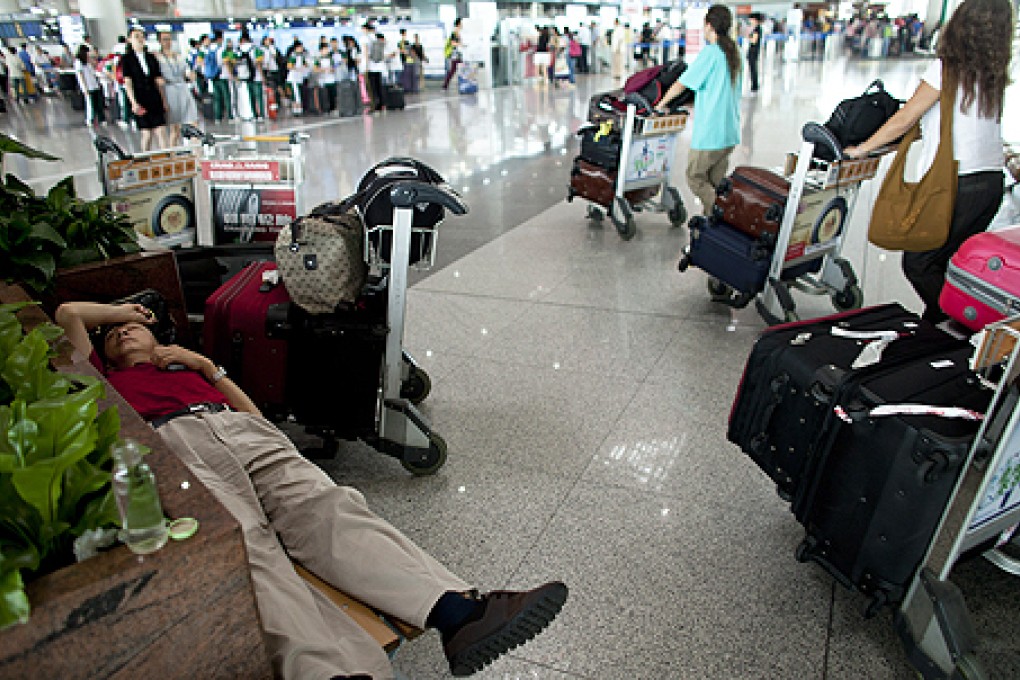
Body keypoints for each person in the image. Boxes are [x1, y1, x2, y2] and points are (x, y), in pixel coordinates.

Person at [53, 300, 569, 680]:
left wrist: (204, 367)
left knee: (329, 505)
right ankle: (329, 673)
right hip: (167, 441)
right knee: (247, 549)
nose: (120, 333)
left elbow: (252, 416)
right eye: (113, 332)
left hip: (235, 427)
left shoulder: (191, 370)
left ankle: (457, 612)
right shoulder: (101, 378)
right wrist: (124, 309)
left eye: (130, 328)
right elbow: (68, 313)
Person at [844, 0, 1013, 323]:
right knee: (950, 261)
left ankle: (960, 323)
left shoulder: (947, 66)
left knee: (919, 263)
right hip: (990, 181)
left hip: (956, 184)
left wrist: (862, 148)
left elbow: (906, 116)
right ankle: (940, 328)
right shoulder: (991, 73)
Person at [656, 5, 742, 218]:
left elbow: (682, 83)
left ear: (709, 26)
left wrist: (661, 103)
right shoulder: (734, 52)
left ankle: (724, 214)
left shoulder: (711, 53)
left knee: (694, 177)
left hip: (710, 134)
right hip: (729, 131)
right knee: (715, 182)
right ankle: (711, 226)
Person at [121, 28, 170, 151]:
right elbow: (128, 82)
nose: (140, 39)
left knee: (161, 131)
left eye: (142, 36)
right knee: (146, 133)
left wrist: (164, 100)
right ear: (129, 40)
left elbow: (157, 80)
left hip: (154, 97)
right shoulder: (127, 59)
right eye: (136, 36)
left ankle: (167, 159)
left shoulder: (151, 57)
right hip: (140, 98)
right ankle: (145, 159)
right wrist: (133, 102)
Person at [156, 32, 198, 145]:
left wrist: (190, 75)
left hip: (183, 87)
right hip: (169, 89)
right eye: (164, 39)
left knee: (193, 122)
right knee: (175, 127)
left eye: (169, 39)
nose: (167, 42)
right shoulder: (157, 58)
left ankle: (196, 152)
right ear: (159, 41)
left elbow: (186, 71)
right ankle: (172, 154)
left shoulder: (178, 56)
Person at [235, 32, 264, 121]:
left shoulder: (238, 50)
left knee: (250, 96)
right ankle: (261, 115)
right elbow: (259, 63)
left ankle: (253, 114)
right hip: (257, 76)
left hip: (245, 76)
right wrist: (262, 75)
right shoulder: (256, 49)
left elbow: (234, 63)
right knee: (259, 96)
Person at [74, 44, 104, 126]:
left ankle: (101, 119)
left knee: (98, 103)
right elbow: (80, 76)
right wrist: (84, 88)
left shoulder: (87, 62)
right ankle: (90, 119)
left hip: (94, 85)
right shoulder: (78, 62)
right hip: (88, 86)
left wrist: (93, 60)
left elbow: (94, 71)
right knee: (90, 104)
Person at [204, 31, 232, 122]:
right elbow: (225, 62)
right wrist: (230, 74)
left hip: (213, 76)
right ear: (220, 38)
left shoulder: (207, 50)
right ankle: (230, 116)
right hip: (222, 75)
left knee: (217, 98)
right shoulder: (221, 49)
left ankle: (217, 117)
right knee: (226, 97)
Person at [442, 20, 463, 90]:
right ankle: (445, 85)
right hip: (454, 54)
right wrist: (461, 44)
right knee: (454, 69)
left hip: (457, 53)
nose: (462, 25)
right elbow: (453, 43)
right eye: (461, 23)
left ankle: (445, 85)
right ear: (458, 24)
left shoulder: (457, 33)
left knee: (455, 69)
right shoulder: (454, 33)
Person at [747, 13, 763, 93]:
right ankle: (754, 84)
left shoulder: (757, 29)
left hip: (753, 51)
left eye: (751, 19)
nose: (750, 21)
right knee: (753, 68)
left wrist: (748, 36)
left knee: (753, 69)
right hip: (754, 51)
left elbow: (754, 41)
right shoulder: (757, 28)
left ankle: (754, 85)